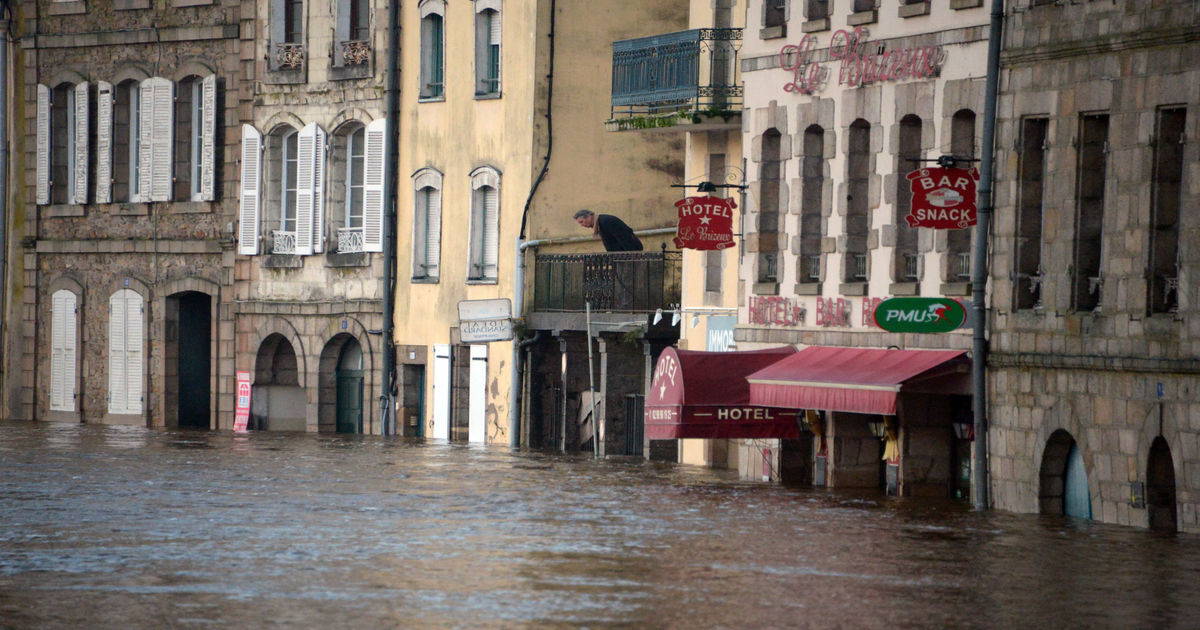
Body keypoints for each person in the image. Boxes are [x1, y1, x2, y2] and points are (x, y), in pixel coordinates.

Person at [573, 209, 643, 252]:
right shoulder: (600, 223)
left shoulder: (606, 221)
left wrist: (631, 258)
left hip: (628, 257)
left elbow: (625, 239)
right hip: (621, 258)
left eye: (581, 221)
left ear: (589, 216)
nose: (581, 225)